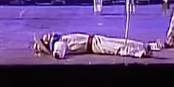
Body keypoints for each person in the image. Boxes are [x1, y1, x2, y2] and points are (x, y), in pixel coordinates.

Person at [33, 32, 161, 59]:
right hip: (93, 45)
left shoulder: (60, 38)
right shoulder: (58, 44)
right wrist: (55, 54)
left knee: (123, 41)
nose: (47, 34)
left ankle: (146, 46)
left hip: (95, 39)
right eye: (44, 38)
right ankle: (139, 53)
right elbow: (59, 52)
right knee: (117, 49)